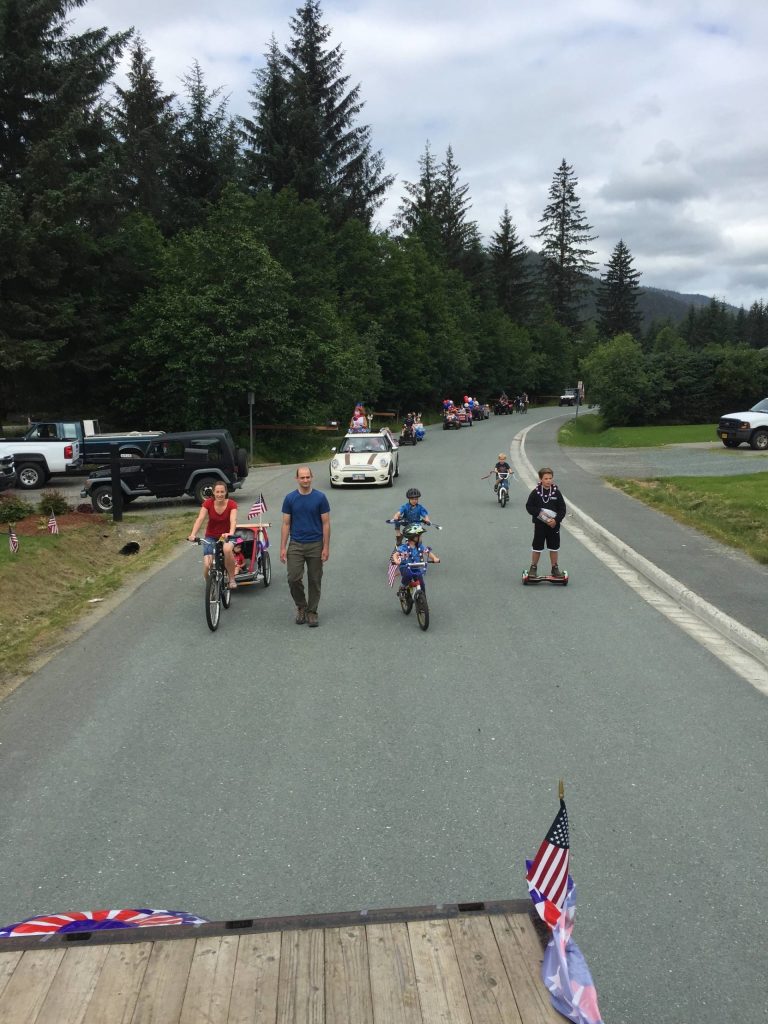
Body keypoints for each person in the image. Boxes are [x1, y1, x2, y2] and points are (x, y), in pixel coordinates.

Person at [280, 466, 331, 627]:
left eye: (308, 477)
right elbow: (286, 524)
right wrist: (283, 547)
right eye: (302, 477)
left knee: (315, 580)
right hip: (296, 544)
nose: (305, 480)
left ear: (312, 477)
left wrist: (326, 547)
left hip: (315, 544)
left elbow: (326, 523)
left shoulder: (320, 498)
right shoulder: (290, 499)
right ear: (297, 479)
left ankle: (312, 612)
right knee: (293, 578)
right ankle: (301, 606)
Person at [188, 481, 239, 587]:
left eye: (222, 492)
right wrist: (193, 534)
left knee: (227, 549)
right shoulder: (208, 503)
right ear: (213, 492)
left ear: (226, 492)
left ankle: (232, 579)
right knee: (208, 564)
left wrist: (230, 533)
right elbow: (200, 518)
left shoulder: (231, 504)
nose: (220, 494)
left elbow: (233, 520)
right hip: (211, 536)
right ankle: (209, 585)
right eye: (217, 492)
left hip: (227, 535)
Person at [525, 467, 567, 578]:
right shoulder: (535, 493)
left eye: (550, 478)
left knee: (554, 547)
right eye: (546, 478)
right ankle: (533, 567)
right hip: (540, 525)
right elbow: (529, 507)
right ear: (541, 479)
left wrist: (556, 520)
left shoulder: (556, 493)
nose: (548, 480)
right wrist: (540, 514)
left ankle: (555, 568)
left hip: (553, 525)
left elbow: (562, 509)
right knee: (537, 546)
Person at [391, 523, 440, 588]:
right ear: (414, 537)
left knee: (421, 583)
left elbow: (428, 553)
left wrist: (434, 558)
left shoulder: (420, 546)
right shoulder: (404, 547)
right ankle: (402, 587)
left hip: (416, 566)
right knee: (408, 575)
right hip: (405, 566)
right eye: (420, 536)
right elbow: (395, 554)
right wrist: (396, 560)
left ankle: (423, 596)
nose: (421, 537)